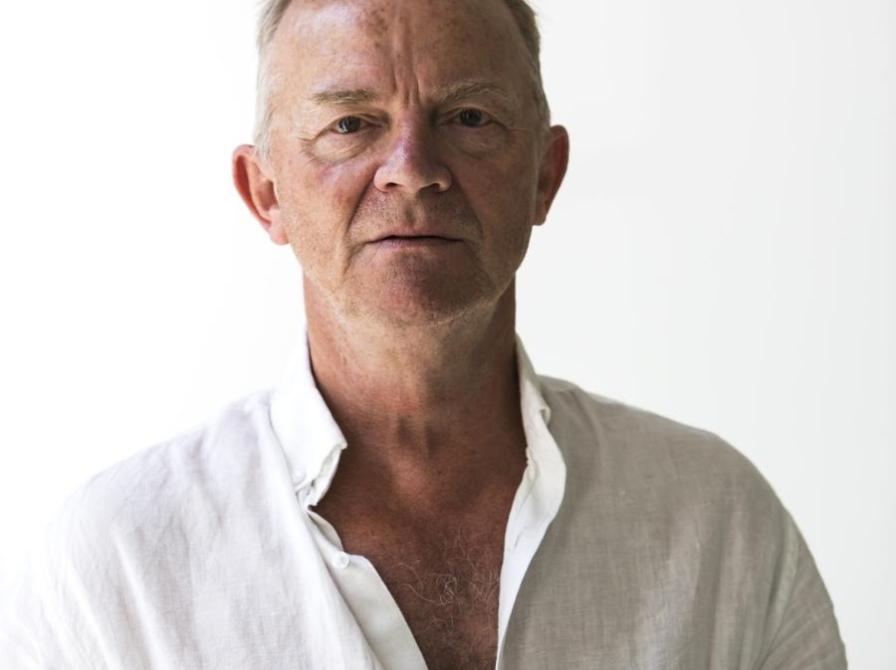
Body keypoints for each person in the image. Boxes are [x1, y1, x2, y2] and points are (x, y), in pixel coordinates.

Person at [0, 0, 848, 668]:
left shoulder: (719, 525)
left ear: (545, 176)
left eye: (470, 118)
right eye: (350, 123)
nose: (411, 167)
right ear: (266, 193)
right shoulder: (116, 566)